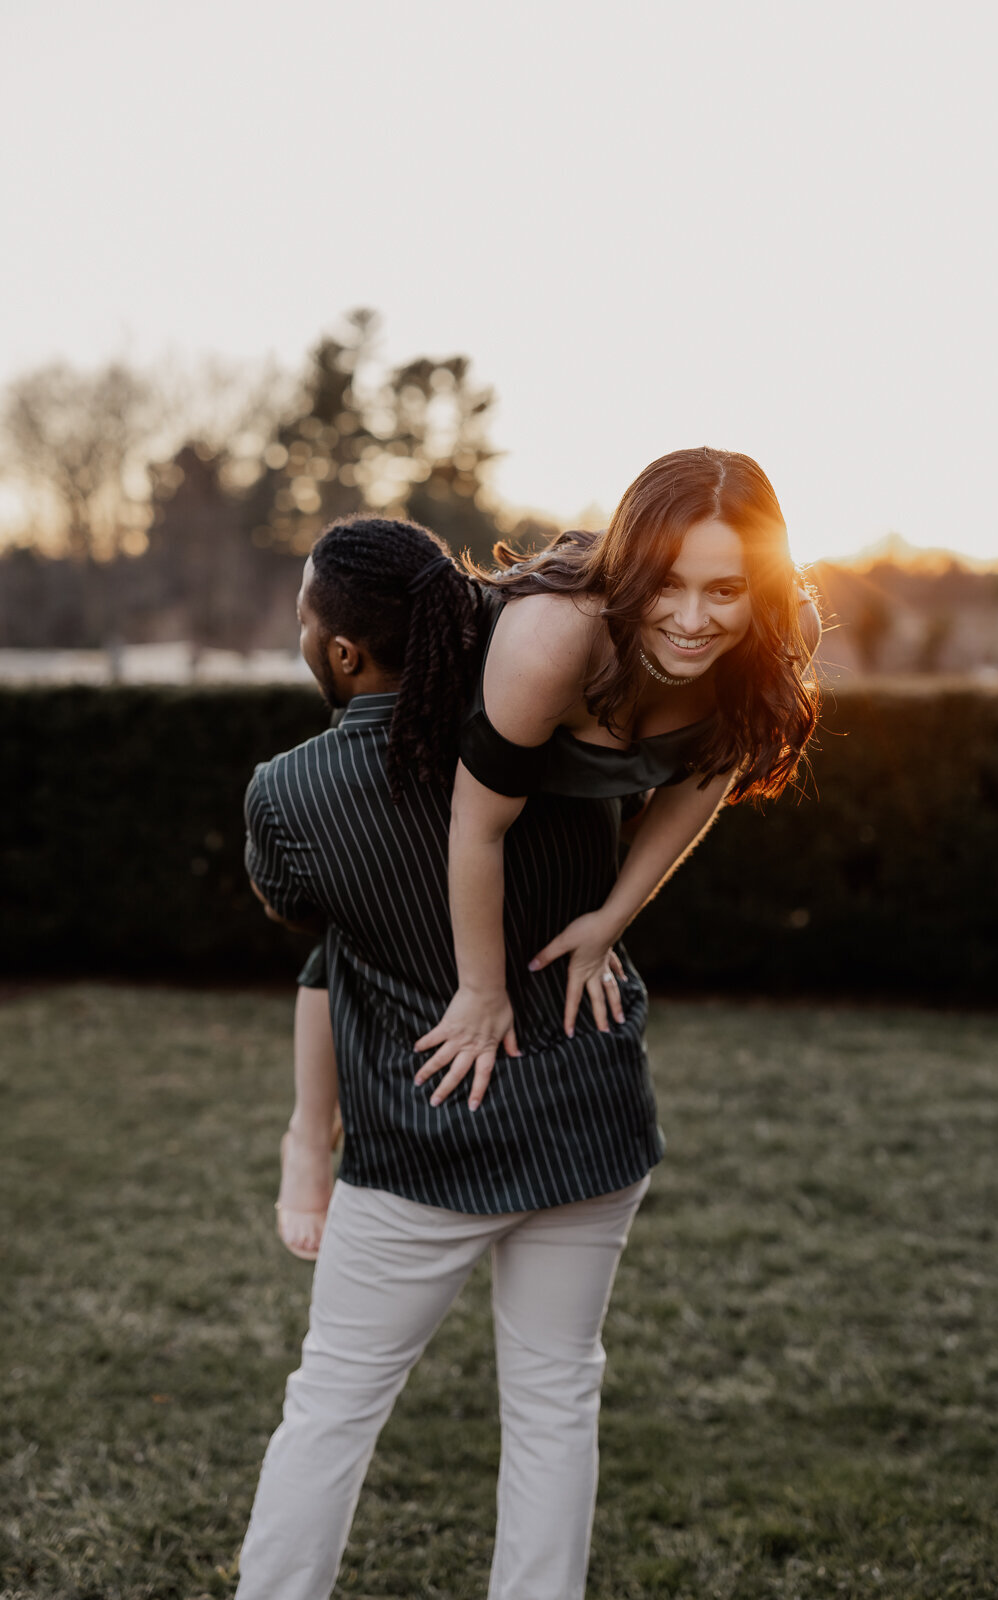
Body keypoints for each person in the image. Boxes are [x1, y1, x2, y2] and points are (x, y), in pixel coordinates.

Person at [237, 515, 661, 1600]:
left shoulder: (287, 793)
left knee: (332, 1400)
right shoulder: (552, 724)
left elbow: (308, 918)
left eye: (302, 617)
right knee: (557, 1396)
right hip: (587, 1120)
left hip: (424, 1141)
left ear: (339, 652)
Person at [414, 446, 821, 1107]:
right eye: (665, 583)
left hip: (569, 831)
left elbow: (707, 773)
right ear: (630, 568)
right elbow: (477, 824)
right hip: (446, 795)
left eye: (724, 590)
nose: (691, 623)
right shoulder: (553, 637)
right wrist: (481, 995)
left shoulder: (783, 631)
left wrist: (610, 920)